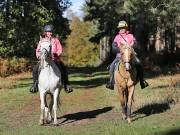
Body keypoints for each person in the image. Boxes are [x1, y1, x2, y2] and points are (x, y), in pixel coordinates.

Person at [106, 20, 149, 90]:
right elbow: (113, 48)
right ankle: (111, 82)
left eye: (123, 27)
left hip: (131, 57)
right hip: (120, 57)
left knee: (139, 64)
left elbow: (136, 45)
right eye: (120, 28)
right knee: (111, 67)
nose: (121, 29)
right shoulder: (117, 37)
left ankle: (142, 81)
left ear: (126, 28)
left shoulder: (130, 36)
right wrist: (120, 50)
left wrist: (131, 46)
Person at [30, 24, 73, 93]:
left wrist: (56, 54)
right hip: (43, 60)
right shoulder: (42, 41)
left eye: (51, 32)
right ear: (45, 32)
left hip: (54, 59)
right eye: (48, 32)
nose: (50, 33)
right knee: (35, 68)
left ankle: (66, 85)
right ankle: (35, 84)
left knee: (63, 68)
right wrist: (38, 55)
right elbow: (38, 50)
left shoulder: (56, 40)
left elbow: (60, 49)